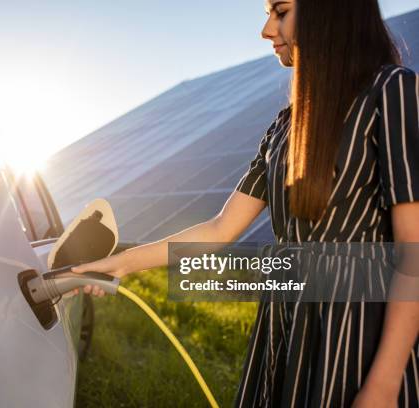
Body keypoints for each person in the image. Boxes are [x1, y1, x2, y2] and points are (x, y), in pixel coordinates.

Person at [70, 0, 419, 406]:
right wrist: (123, 262)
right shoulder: (285, 126)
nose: (266, 31)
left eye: (281, 12)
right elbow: (221, 228)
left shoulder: (391, 90)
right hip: (282, 326)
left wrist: (384, 384)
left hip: (357, 336)